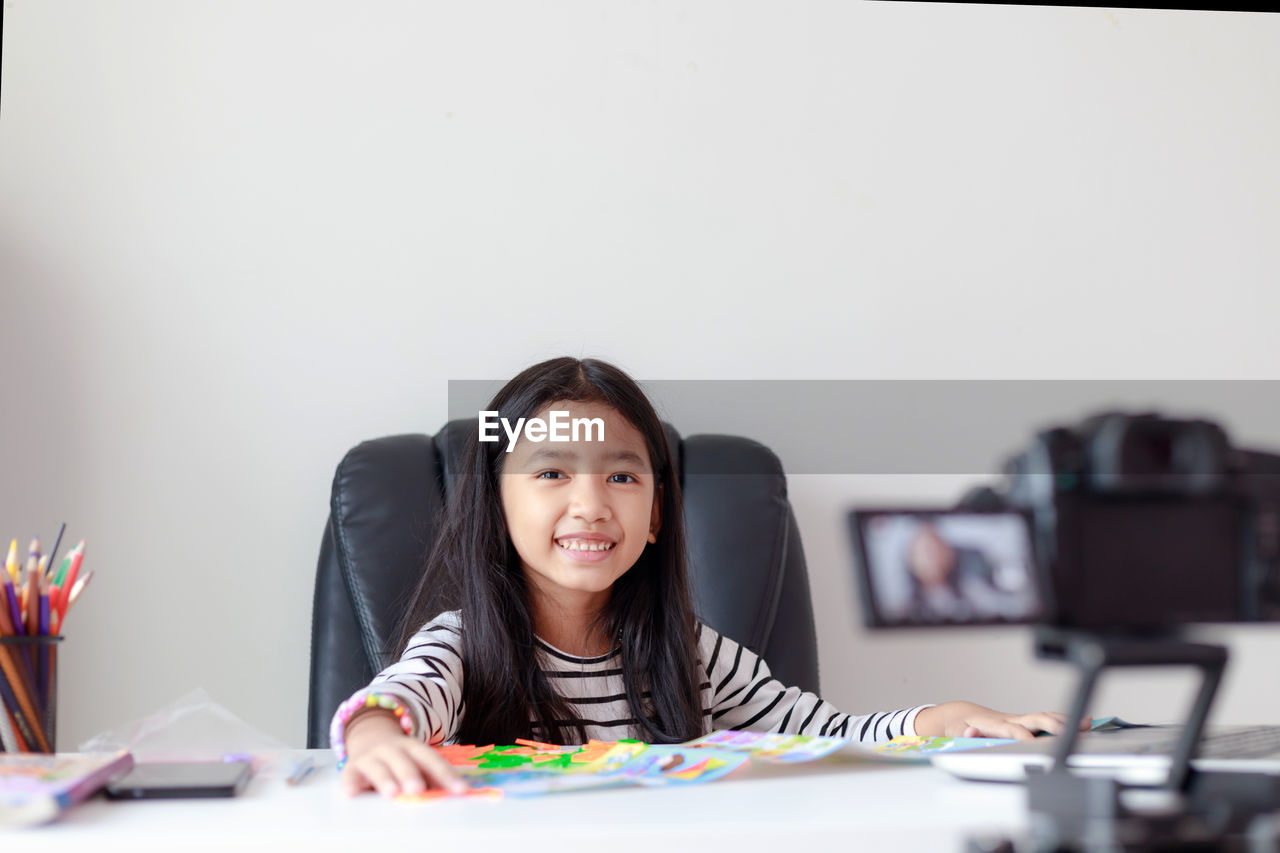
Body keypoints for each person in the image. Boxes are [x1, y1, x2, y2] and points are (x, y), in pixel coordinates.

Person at [332, 357, 1083, 798]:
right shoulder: (461, 645)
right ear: (495, 509)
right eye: (552, 471)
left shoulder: (691, 653)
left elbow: (824, 735)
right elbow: (394, 704)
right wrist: (371, 737)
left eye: (623, 477)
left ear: (657, 514)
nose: (590, 504)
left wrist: (936, 720)